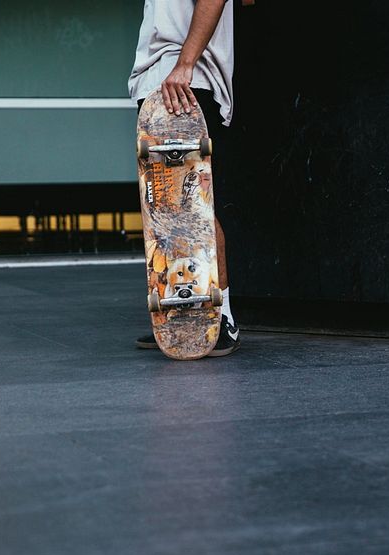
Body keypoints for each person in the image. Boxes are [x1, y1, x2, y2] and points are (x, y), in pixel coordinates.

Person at [129, 0, 241, 357]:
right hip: (161, 81)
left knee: (194, 207)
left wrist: (185, 63)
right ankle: (181, 312)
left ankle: (221, 316)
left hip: (185, 81)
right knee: (168, 209)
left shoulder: (185, 69)